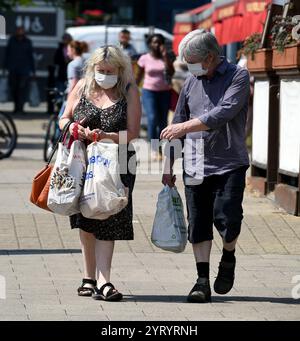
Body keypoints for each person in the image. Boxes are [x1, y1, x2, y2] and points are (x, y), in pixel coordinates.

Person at [161, 29, 250, 303]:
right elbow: (176, 124)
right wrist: (168, 165)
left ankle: (229, 255)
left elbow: (223, 112)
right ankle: (201, 281)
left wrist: (183, 127)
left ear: (210, 57)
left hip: (229, 162)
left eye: (192, 60)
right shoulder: (190, 81)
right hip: (195, 163)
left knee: (228, 219)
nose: (189, 66)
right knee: (198, 223)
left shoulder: (238, 75)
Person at [59, 45, 141, 301]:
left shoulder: (128, 90)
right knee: (85, 216)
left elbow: (134, 134)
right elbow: (63, 118)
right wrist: (73, 127)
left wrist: (106, 136)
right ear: (92, 69)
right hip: (82, 161)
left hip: (117, 163)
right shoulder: (83, 86)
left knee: (107, 215)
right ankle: (88, 277)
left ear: (120, 70)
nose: (104, 75)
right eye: (100, 70)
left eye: (110, 71)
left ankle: (104, 281)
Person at [136, 33, 175, 160]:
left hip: (165, 92)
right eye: (154, 42)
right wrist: (133, 91)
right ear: (150, 44)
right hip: (149, 92)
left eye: (159, 42)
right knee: (152, 118)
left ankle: (159, 147)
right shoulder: (144, 58)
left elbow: (171, 72)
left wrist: (165, 57)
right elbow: (138, 76)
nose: (157, 45)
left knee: (163, 121)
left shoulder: (166, 57)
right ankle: (153, 148)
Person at [3, 25, 35, 114]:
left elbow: (31, 57)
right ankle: (16, 107)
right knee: (14, 89)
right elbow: (7, 54)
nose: (20, 32)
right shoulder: (11, 40)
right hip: (13, 69)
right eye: (18, 30)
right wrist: (5, 68)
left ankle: (21, 108)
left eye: (22, 30)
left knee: (22, 89)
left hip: (24, 70)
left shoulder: (28, 42)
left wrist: (33, 70)